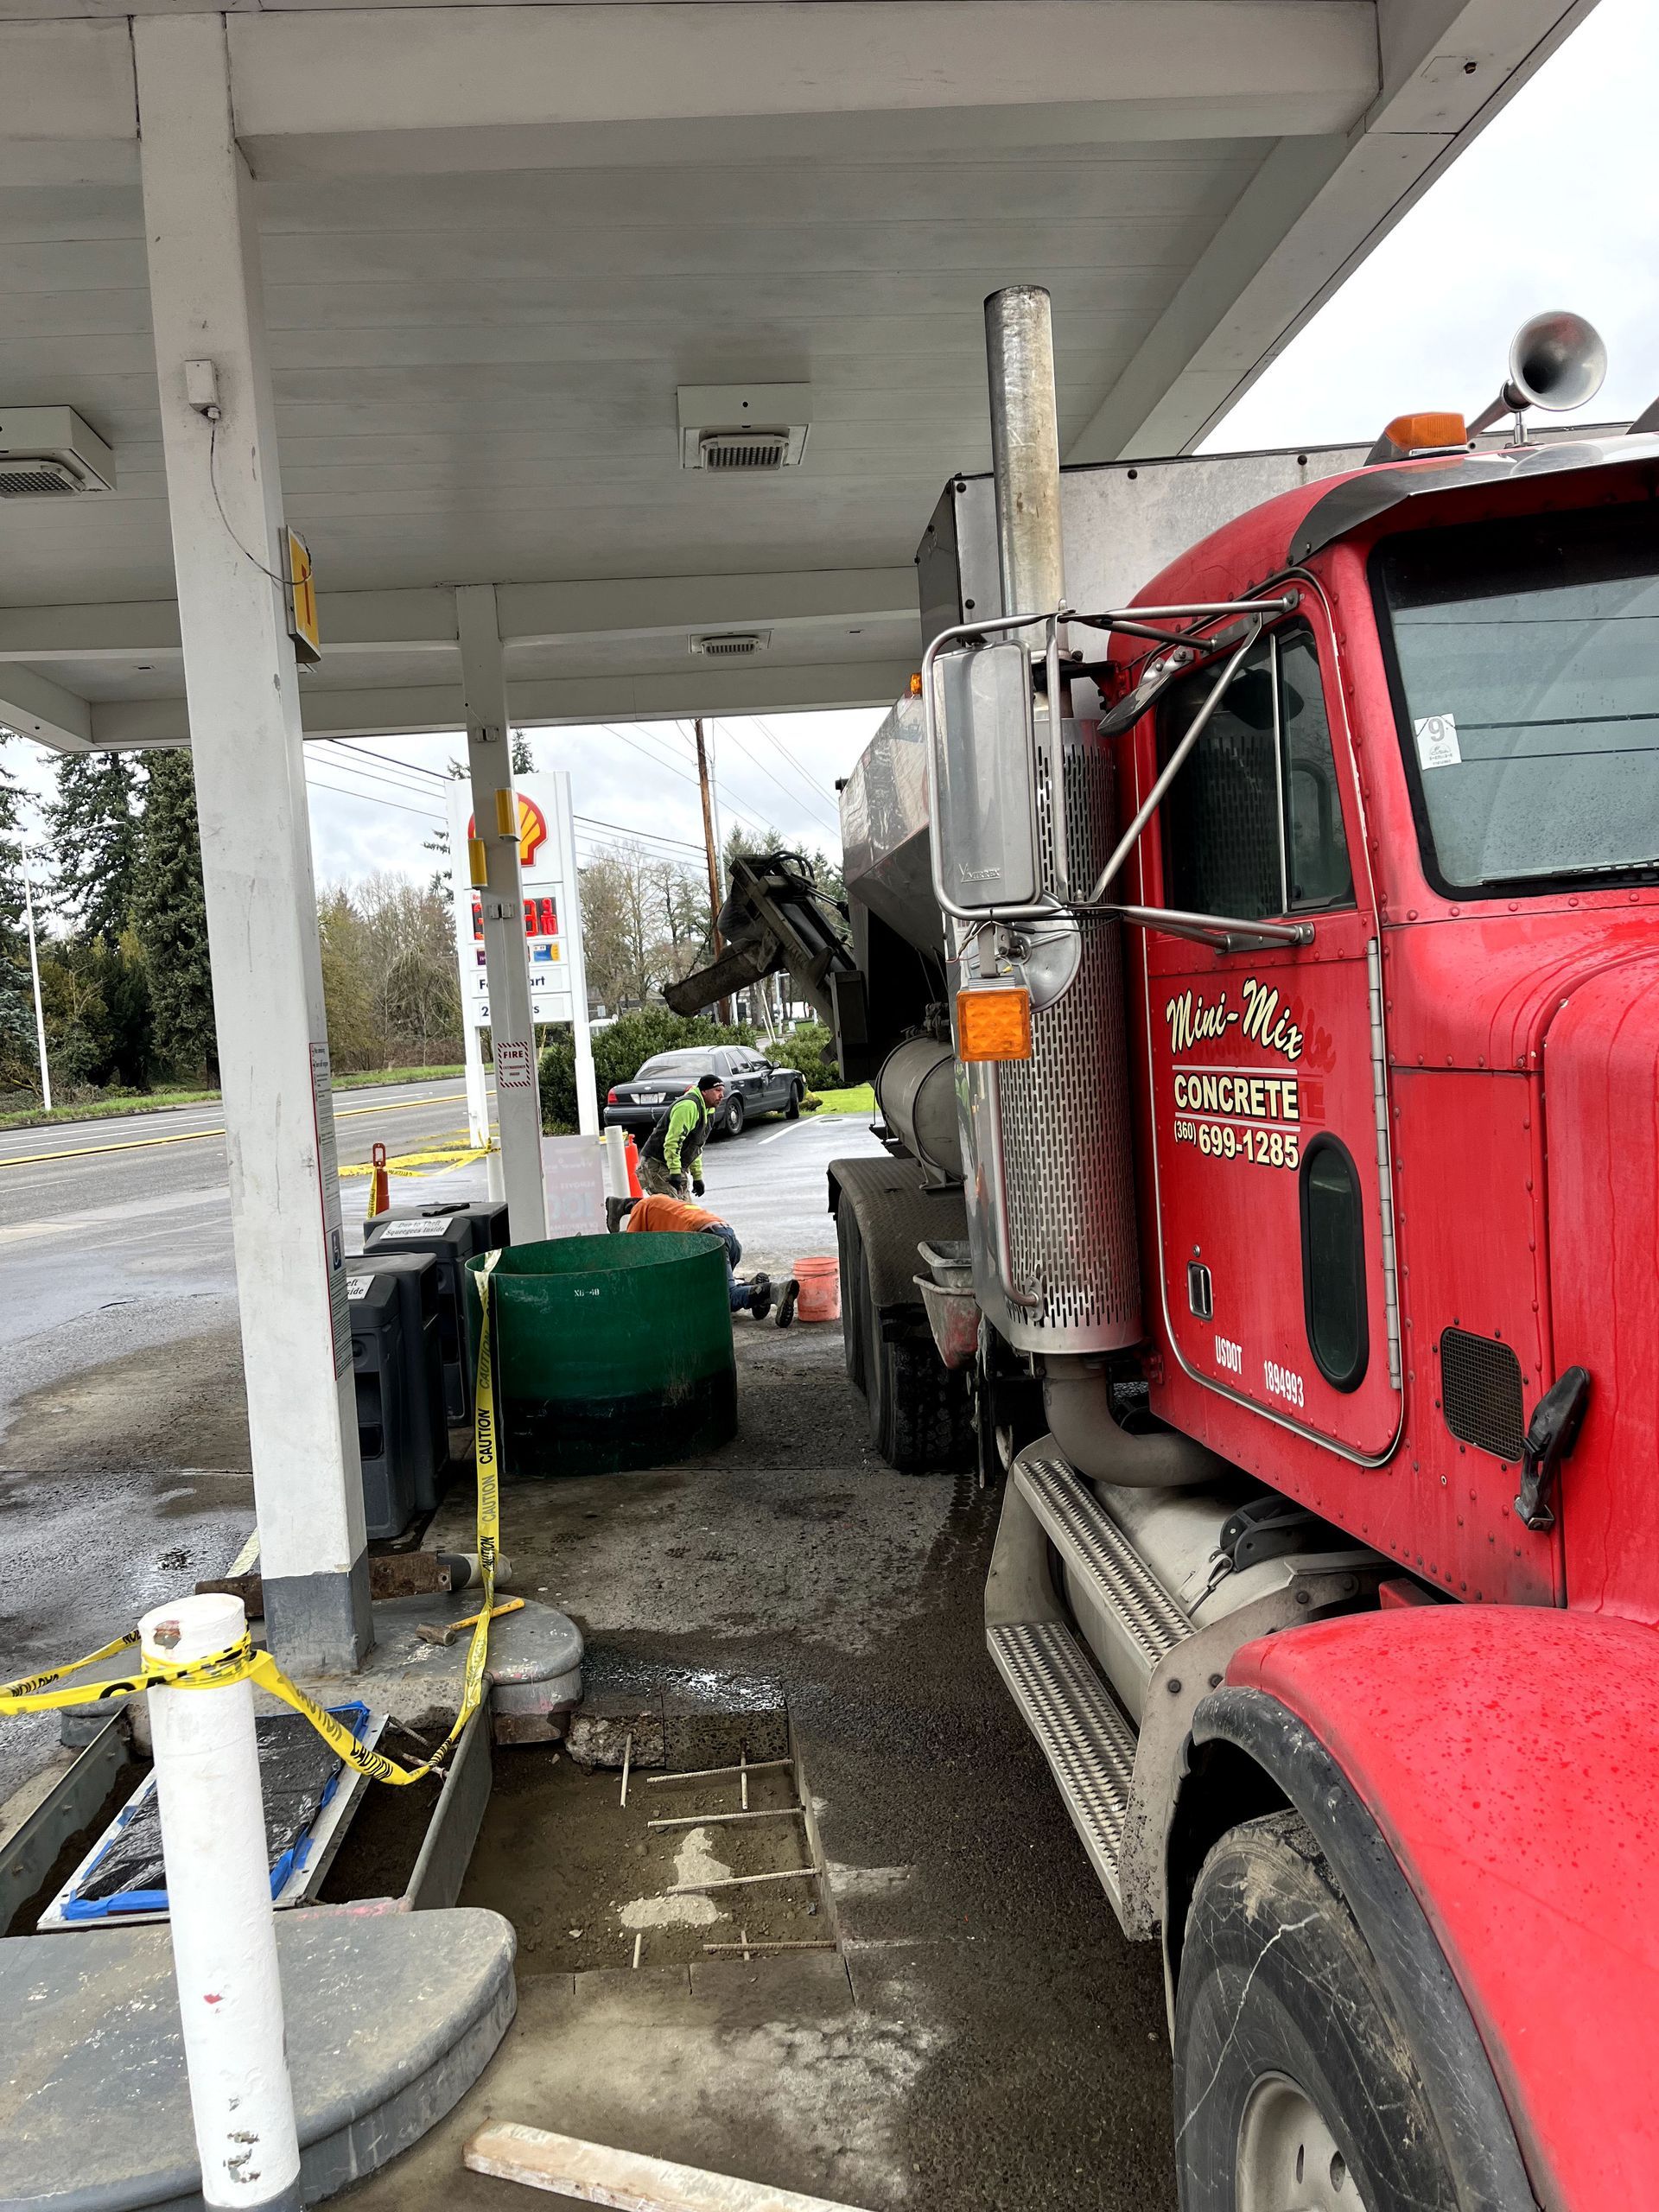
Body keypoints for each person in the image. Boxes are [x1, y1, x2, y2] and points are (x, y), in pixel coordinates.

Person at [614, 1190, 797, 1325]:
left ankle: (772, 1291)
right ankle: (753, 1290)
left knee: (722, 1298)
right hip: (727, 1234)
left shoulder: (641, 1209)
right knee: (712, 1287)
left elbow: (634, 1255)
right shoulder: (665, 1203)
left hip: (706, 1240)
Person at [639, 1071, 722, 1199]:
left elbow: (695, 1146)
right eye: (717, 1090)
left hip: (673, 1166)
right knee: (674, 1213)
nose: (721, 1095)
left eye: (722, 1091)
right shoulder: (688, 1106)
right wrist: (675, 1172)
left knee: (686, 1212)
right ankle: (625, 1208)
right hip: (658, 1164)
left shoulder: (709, 1111)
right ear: (704, 1091)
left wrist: (697, 1176)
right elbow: (673, 1141)